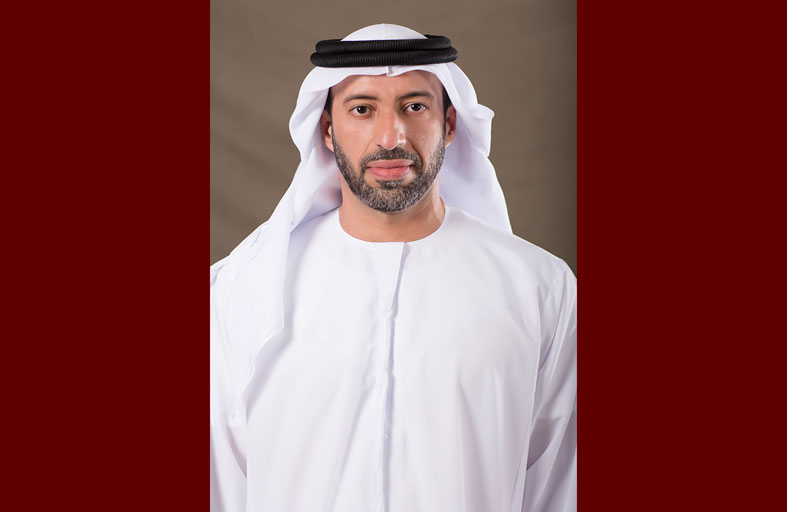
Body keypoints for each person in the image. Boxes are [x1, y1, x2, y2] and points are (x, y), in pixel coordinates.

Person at [211, 23, 576, 512]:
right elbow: (220, 483)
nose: (391, 137)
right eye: (362, 109)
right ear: (327, 130)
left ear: (449, 124)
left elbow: (560, 485)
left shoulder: (539, 289)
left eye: (415, 106)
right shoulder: (243, 289)